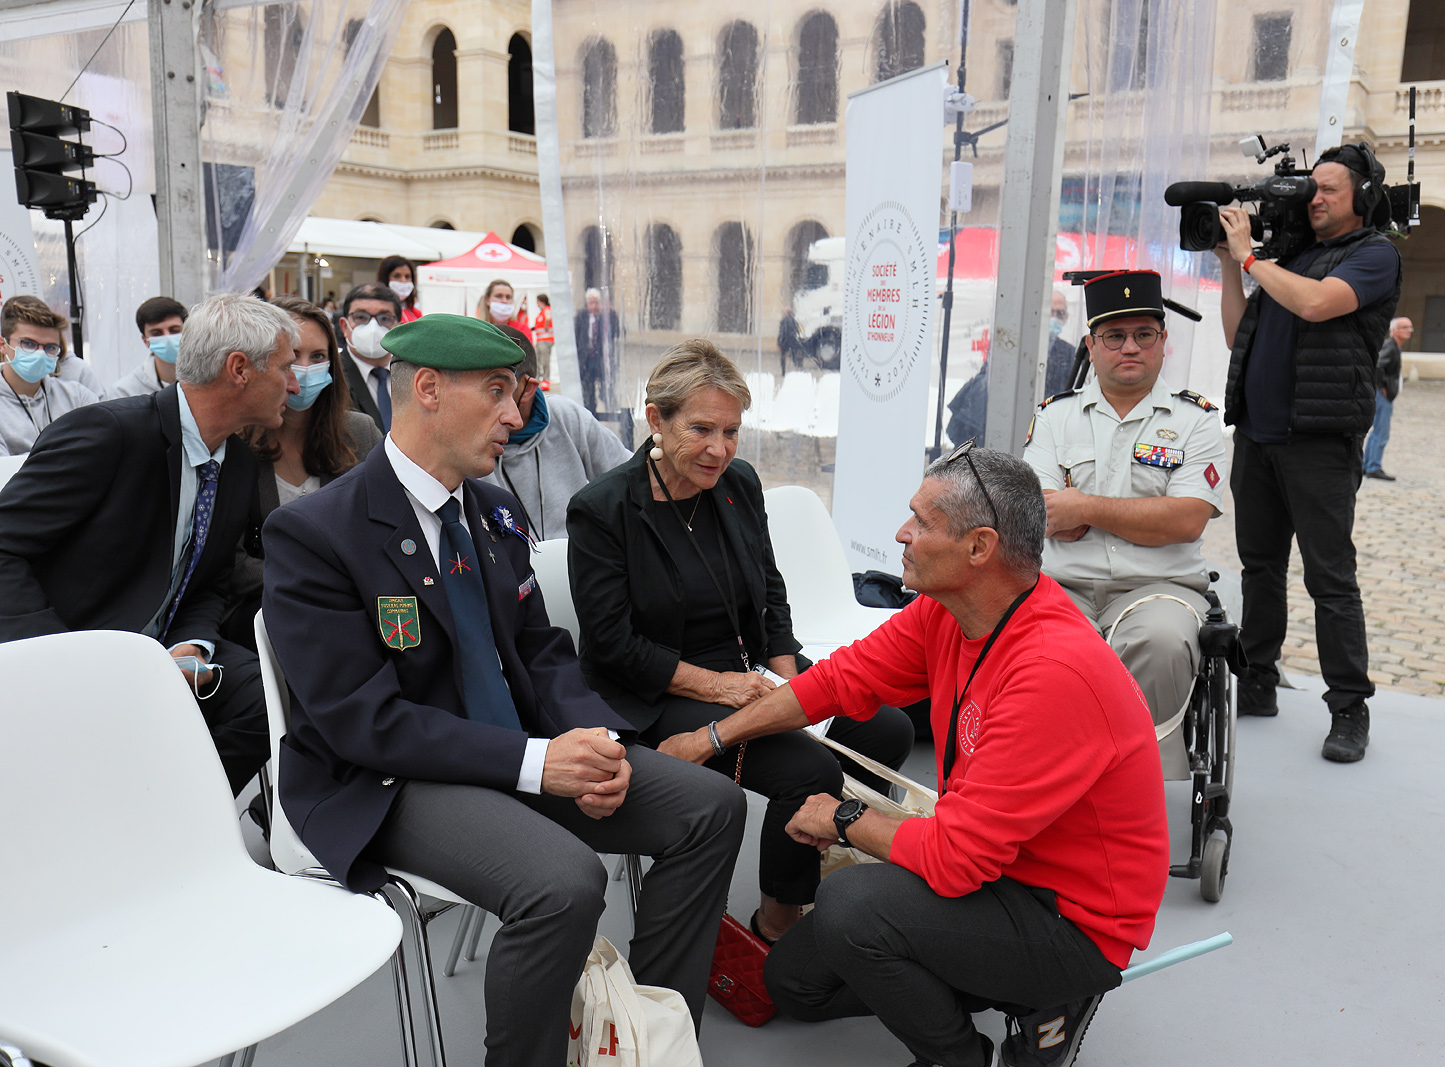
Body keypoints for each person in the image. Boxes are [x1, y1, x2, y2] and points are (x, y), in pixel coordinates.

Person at [260, 314, 744, 1067]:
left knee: (709, 807)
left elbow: (540, 649)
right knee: (564, 882)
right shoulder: (318, 532)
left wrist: (597, 742)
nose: (516, 416)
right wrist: (539, 762)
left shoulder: (492, 512)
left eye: (516, 393)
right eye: (496, 392)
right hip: (388, 780)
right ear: (428, 389)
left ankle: (642, 1041)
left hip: (515, 750)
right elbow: (363, 722)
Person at [656, 446, 1167, 1067]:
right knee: (795, 983)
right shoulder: (948, 612)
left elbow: (954, 861)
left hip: (1069, 922)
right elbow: (838, 681)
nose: (902, 533)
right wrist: (712, 738)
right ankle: (995, 982)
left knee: (851, 908)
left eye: (922, 522)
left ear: (979, 547)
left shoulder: (1051, 672)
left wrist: (842, 818)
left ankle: (979, 1048)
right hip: (997, 869)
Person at [567, 341, 914, 943]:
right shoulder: (603, 509)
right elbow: (614, 645)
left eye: (731, 431)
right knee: (806, 768)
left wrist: (789, 678)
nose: (719, 449)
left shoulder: (737, 483)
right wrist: (721, 687)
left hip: (748, 667)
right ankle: (776, 925)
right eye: (701, 429)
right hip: (655, 690)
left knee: (886, 729)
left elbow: (769, 590)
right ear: (656, 419)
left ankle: (830, 859)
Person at [0, 292, 298, 794]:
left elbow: (211, 579)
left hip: (161, 653)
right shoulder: (109, 433)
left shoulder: (238, 463)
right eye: (286, 367)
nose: (294, 383)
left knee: (267, 701)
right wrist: (64, 656)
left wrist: (193, 644)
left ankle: (173, 815)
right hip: (72, 652)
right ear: (239, 369)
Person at [1214, 141, 1402, 763]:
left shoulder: (1374, 254)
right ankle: (1258, 681)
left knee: (1330, 579)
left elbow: (1318, 304)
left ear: (1362, 197)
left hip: (1320, 442)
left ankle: (1349, 708)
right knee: (1260, 568)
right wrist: (1230, 267)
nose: (1313, 198)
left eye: (1328, 189)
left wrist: (1251, 258)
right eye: (1311, 188)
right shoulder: (1290, 259)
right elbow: (1238, 334)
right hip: (1257, 437)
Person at [1022, 270, 1227, 782]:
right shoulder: (1053, 418)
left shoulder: (1198, 422)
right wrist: (1142, 517)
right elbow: (1045, 516)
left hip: (1160, 588)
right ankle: (1045, 775)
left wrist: (1084, 507)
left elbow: (1186, 519)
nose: (1130, 347)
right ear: (1091, 345)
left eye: (1144, 334)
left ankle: (1134, 783)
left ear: (1164, 342)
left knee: (1162, 641)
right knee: (1034, 648)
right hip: (1061, 588)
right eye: (1114, 336)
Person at [221, 296, 383, 645]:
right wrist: (314, 579)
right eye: (293, 357)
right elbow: (230, 562)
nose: (304, 370)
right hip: (261, 611)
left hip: (351, 607)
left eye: (318, 356)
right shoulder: (233, 442)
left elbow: (384, 528)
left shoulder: (361, 432)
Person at [484, 330, 630, 540]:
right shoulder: (471, 439)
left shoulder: (567, 417)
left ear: (528, 388)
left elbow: (627, 479)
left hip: (578, 556)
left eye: (497, 390)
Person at [0, 296, 101, 455]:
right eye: (28, 344)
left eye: (50, 347)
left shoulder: (77, 397)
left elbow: (103, 449)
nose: (40, 354)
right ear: (3, 345)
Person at [338, 282, 403, 432]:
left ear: (399, 328)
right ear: (344, 327)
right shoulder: (332, 377)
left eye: (385, 319)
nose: (373, 328)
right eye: (361, 317)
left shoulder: (413, 374)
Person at [108, 296, 189, 399]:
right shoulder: (125, 392)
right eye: (157, 333)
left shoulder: (206, 379)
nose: (167, 338)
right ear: (145, 341)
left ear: (188, 332)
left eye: (174, 330)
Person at [1362, 316, 1411, 481]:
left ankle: (1367, 465)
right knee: (1381, 432)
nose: (1409, 331)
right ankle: (1373, 466)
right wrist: (1382, 386)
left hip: (1384, 393)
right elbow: (1378, 365)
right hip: (1382, 395)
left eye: (1410, 327)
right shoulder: (1390, 346)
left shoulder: (1394, 347)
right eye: (1404, 327)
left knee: (1378, 431)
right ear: (1394, 330)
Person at [574, 287, 620, 413]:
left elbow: (618, 332)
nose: (593, 306)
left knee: (606, 389)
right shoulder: (582, 316)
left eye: (596, 303)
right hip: (586, 359)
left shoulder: (608, 316)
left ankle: (612, 410)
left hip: (602, 359)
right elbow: (576, 336)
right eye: (591, 303)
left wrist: (608, 313)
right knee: (588, 391)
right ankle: (590, 413)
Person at [478, 278, 532, 345]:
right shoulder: (479, 328)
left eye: (508, 297)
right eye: (498, 296)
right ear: (487, 300)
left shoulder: (521, 329)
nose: (504, 301)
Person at [377, 254, 422, 323]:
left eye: (407, 277)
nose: (403, 281)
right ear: (385, 278)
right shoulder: (377, 311)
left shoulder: (416, 313)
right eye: (397, 276)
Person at [532, 292, 555, 380]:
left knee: (545, 361)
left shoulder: (547, 309)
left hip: (546, 340)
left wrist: (546, 326)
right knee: (537, 360)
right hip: (540, 340)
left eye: (538, 301)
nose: (537, 303)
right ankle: (538, 378)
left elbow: (548, 318)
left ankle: (546, 379)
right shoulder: (541, 312)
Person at [777, 307, 805, 374]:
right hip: (792, 341)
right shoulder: (793, 321)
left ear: (786, 313)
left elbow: (782, 332)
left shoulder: (784, 321)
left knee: (783, 357)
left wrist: (779, 342)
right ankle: (797, 369)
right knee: (794, 355)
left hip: (785, 341)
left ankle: (783, 372)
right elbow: (798, 330)